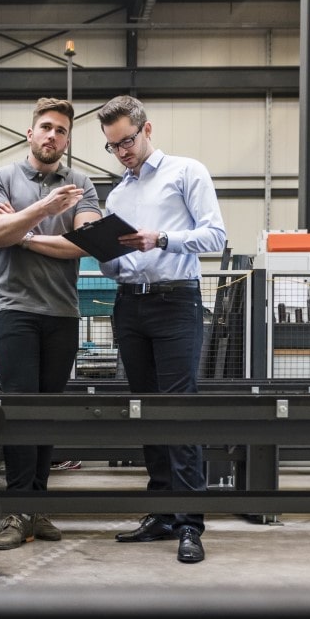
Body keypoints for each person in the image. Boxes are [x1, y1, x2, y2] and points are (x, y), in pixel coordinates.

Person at [96, 94, 227, 564]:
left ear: (147, 129)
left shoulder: (186, 172)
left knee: (178, 410)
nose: (122, 153)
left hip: (175, 303)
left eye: (127, 142)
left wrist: (162, 238)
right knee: (147, 411)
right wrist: (103, 255)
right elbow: (119, 265)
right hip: (130, 305)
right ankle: (163, 513)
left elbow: (215, 235)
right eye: (113, 146)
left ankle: (190, 523)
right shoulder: (117, 195)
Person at [0, 97, 102, 550]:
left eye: (61, 130)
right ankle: (16, 510)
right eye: (46, 127)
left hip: (62, 313)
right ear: (30, 133)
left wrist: (23, 234)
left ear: (68, 140)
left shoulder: (81, 184)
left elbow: (87, 244)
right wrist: (46, 209)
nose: (52, 135)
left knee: (47, 412)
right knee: (19, 410)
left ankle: (37, 507)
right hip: (15, 311)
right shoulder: (1, 178)